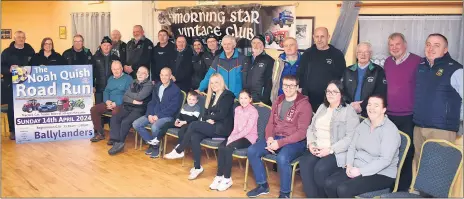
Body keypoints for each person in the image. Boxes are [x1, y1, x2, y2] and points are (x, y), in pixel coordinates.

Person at [246, 75, 313, 198]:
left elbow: (302, 132)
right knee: (252, 151)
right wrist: (270, 138)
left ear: (297, 87)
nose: (288, 88)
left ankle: (285, 194)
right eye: (285, 85)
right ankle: (263, 186)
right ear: (282, 86)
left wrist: (280, 143)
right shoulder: (278, 100)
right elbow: (270, 123)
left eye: (291, 85)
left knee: (282, 158)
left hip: (296, 142)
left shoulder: (305, 105)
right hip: (276, 137)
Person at [324, 95, 400, 198]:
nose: (371, 108)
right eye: (369, 104)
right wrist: (349, 165)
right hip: (358, 166)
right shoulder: (364, 124)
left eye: (376, 105)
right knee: (329, 183)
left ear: (384, 110)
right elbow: (352, 147)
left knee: (343, 189)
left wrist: (361, 171)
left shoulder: (390, 130)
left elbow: (385, 160)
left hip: (382, 173)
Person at [165, 73, 235, 180]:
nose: (214, 85)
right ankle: (197, 167)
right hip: (212, 125)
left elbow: (223, 114)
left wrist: (212, 117)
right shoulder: (212, 96)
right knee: (194, 136)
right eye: (211, 83)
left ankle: (179, 150)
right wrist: (210, 117)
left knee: (193, 124)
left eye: (216, 82)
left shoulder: (228, 95)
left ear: (221, 82)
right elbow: (205, 114)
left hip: (222, 129)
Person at [299, 80, 359, 198]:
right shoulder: (322, 107)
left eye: (334, 92)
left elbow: (350, 138)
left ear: (341, 94)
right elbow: (311, 128)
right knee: (305, 163)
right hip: (317, 147)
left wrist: (330, 149)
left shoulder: (349, 111)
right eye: (328, 91)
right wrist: (311, 143)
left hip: (336, 151)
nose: (330, 94)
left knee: (320, 169)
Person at [412, 33, 463, 168]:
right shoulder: (421, 66)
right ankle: (415, 190)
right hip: (419, 127)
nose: (431, 48)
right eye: (428, 45)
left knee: (438, 170)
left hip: (442, 130)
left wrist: (458, 120)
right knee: (419, 166)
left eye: (436, 45)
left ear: (445, 49)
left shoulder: (455, 69)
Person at [383, 32, 422, 191]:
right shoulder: (387, 62)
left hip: (408, 115)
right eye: (391, 45)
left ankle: (403, 189)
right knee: (390, 152)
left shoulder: (418, 61)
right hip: (390, 115)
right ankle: (389, 185)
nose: (394, 48)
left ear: (405, 44)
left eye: (397, 44)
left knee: (407, 152)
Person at [209, 89, 259, 191]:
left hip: (248, 138)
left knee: (228, 148)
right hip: (237, 136)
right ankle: (219, 176)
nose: (243, 100)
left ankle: (227, 178)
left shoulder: (253, 111)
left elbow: (247, 130)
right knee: (221, 146)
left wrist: (232, 139)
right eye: (241, 98)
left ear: (250, 99)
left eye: (246, 98)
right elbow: (235, 127)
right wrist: (231, 137)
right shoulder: (237, 109)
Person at [132, 67, 182, 158]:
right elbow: (152, 102)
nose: (164, 77)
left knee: (155, 127)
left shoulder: (176, 90)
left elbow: (173, 108)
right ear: (159, 75)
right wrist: (150, 114)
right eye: (162, 75)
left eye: (166, 75)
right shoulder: (157, 86)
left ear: (170, 76)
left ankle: (156, 148)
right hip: (154, 114)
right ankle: (153, 144)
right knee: (136, 124)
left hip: (167, 116)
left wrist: (158, 116)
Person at [298, 27, 346, 111]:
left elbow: (342, 77)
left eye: (322, 36)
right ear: (313, 38)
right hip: (309, 99)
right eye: (317, 37)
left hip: (330, 99)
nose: (319, 39)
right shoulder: (307, 54)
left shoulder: (337, 55)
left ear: (328, 37)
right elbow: (300, 73)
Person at [108, 66, 153, 155]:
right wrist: (133, 100)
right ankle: (115, 140)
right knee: (116, 116)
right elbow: (125, 96)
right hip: (129, 105)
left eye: (143, 73)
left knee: (126, 121)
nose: (140, 74)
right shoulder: (134, 82)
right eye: (138, 72)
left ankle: (120, 143)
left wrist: (131, 95)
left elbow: (140, 97)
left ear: (147, 75)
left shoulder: (149, 85)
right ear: (136, 74)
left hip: (140, 109)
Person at [0, 31, 35, 140]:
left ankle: (28, 129)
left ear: (25, 38)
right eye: (19, 37)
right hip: (11, 85)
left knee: (29, 106)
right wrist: (9, 70)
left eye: (23, 37)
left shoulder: (30, 50)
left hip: (28, 85)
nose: (21, 39)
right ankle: (13, 131)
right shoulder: (6, 52)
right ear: (14, 38)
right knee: (13, 108)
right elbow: (1, 67)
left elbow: (34, 64)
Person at [90, 61, 132, 142]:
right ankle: (100, 133)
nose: (116, 71)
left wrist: (116, 103)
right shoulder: (110, 79)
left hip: (122, 104)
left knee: (115, 112)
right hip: (109, 103)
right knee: (94, 109)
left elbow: (128, 95)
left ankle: (114, 138)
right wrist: (107, 101)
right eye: (114, 69)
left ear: (122, 69)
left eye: (118, 69)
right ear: (111, 70)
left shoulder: (128, 79)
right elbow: (106, 91)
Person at [341, 42, 387, 117]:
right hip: (349, 111)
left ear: (371, 54)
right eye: (360, 52)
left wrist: (362, 105)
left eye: (366, 52)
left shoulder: (378, 70)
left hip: (369, 113)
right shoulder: (347, 71)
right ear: (356, 54)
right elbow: (341, 91)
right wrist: (350, 104)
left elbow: (380, 93)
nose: (363, 55)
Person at [152, 91, 201, 157]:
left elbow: (194, 118)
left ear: (196, 101)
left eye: (193, 99)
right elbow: (180, 115)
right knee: (167, 124)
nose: (191, 101)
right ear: (187, 99)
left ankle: (179, 148)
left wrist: (184, 122)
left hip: (188, 124)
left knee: (182, 132)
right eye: (189, 99)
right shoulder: (185, 106)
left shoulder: (197, 108)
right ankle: (157, 139)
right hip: (181, 122)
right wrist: (177, 120)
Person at [242, 35, 275, 105]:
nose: (256, 45)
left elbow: (269, 83)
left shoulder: (269, 61)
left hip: (259, 100)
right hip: (246, 99)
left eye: (259, 43)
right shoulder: (246, 59)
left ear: (263, 46)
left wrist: (264, 100)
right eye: (253, 43)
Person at [270, 37, 301, 104]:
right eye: (286, 46)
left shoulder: (303, 61)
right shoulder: (278, 61)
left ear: (297, 47)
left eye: (291, 45)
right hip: (280, 98)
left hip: (298, 99)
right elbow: (274, 81)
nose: (288, 48)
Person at [92, 36, 121, 104]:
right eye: (104, 45)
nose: (106, 47)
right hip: (99, 88)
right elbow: (91, 73)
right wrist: (92, 85)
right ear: (101, 46)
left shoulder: (115, 58)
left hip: (112, 88)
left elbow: (119, 73)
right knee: (99, 107)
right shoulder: (95, 57)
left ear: (111, 46)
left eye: (108, 45)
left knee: (110, 107)